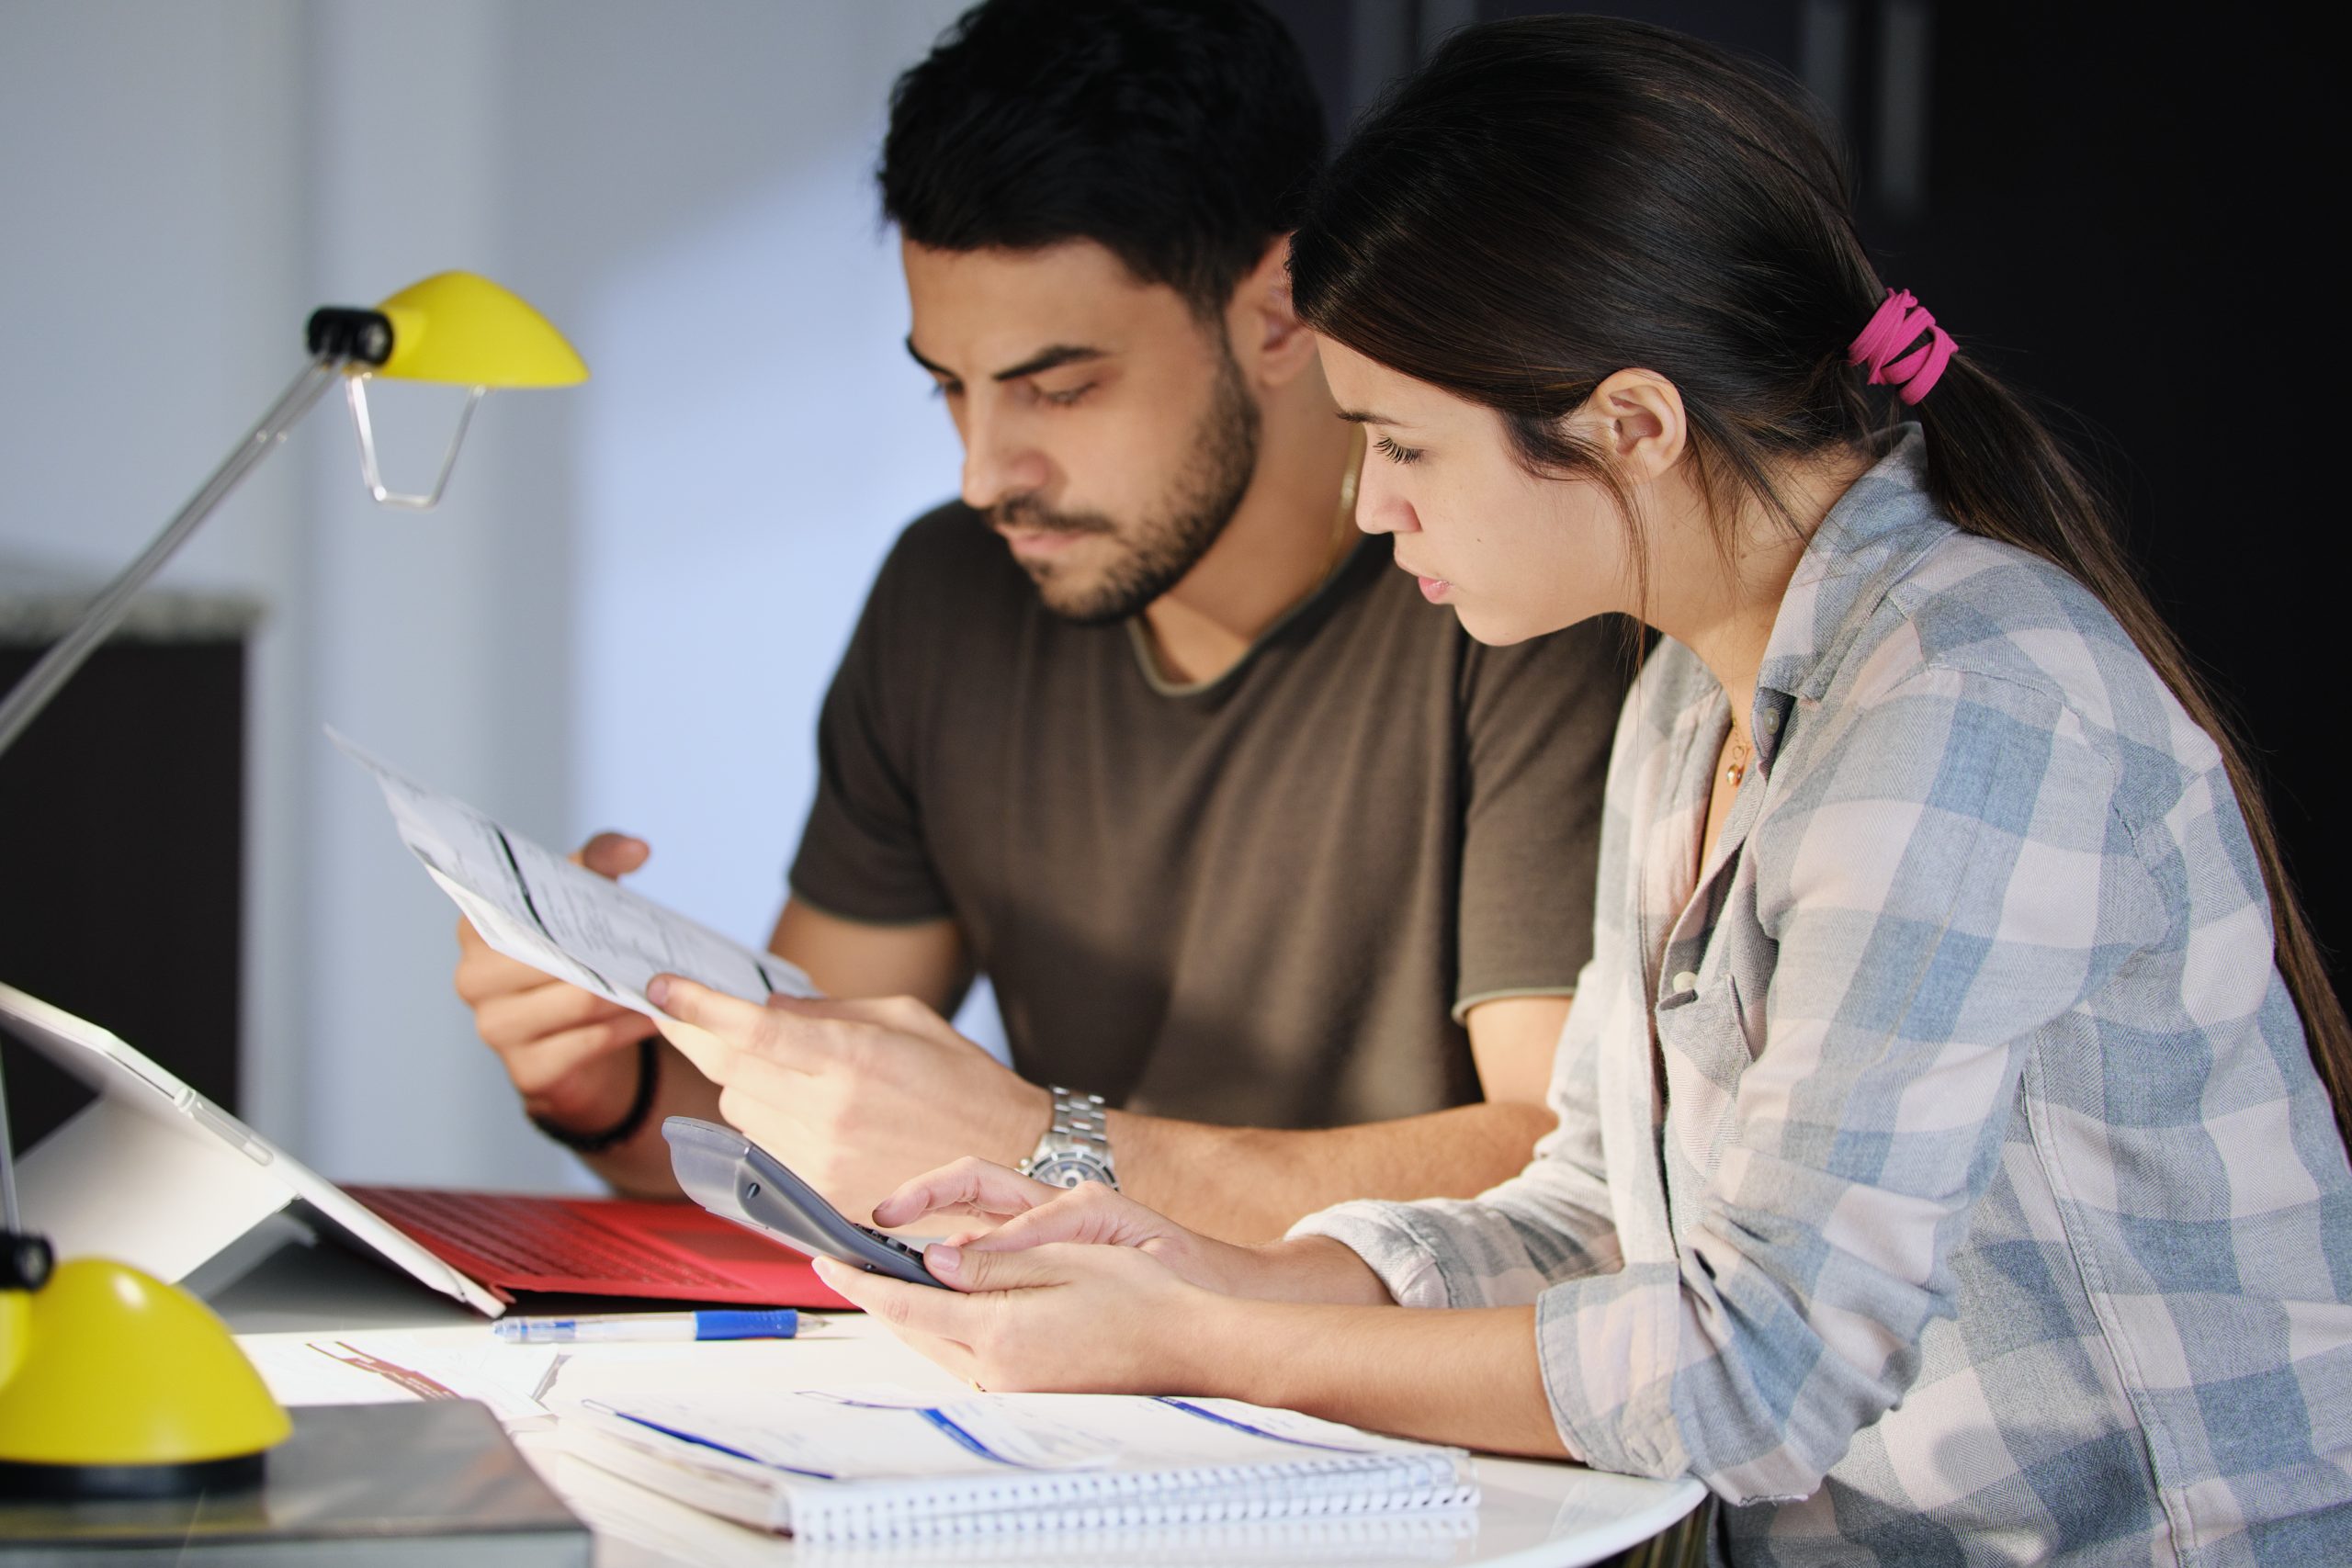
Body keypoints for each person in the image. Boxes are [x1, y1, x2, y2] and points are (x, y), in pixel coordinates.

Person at [793, 16, 2352, 1560]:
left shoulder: (1968, 699)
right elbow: (1604, 1216)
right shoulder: (1692, 692)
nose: (1369, 502)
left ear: (1631, 428)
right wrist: (1211, 1276)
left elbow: (1759, 1370)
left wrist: (1202, 1345)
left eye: (1402, 443)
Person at [457, 0, 1627, 1241]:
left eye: (1060, 389)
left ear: (1281, 313)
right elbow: (799, 1125)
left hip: (1392, 1398)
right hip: (1067, 1393)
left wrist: (1037, 1147)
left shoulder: (1511, 595)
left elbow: (1558, 1166)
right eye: (949, 388)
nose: (985, 470)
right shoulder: (950, 596)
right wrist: (604, 1080)